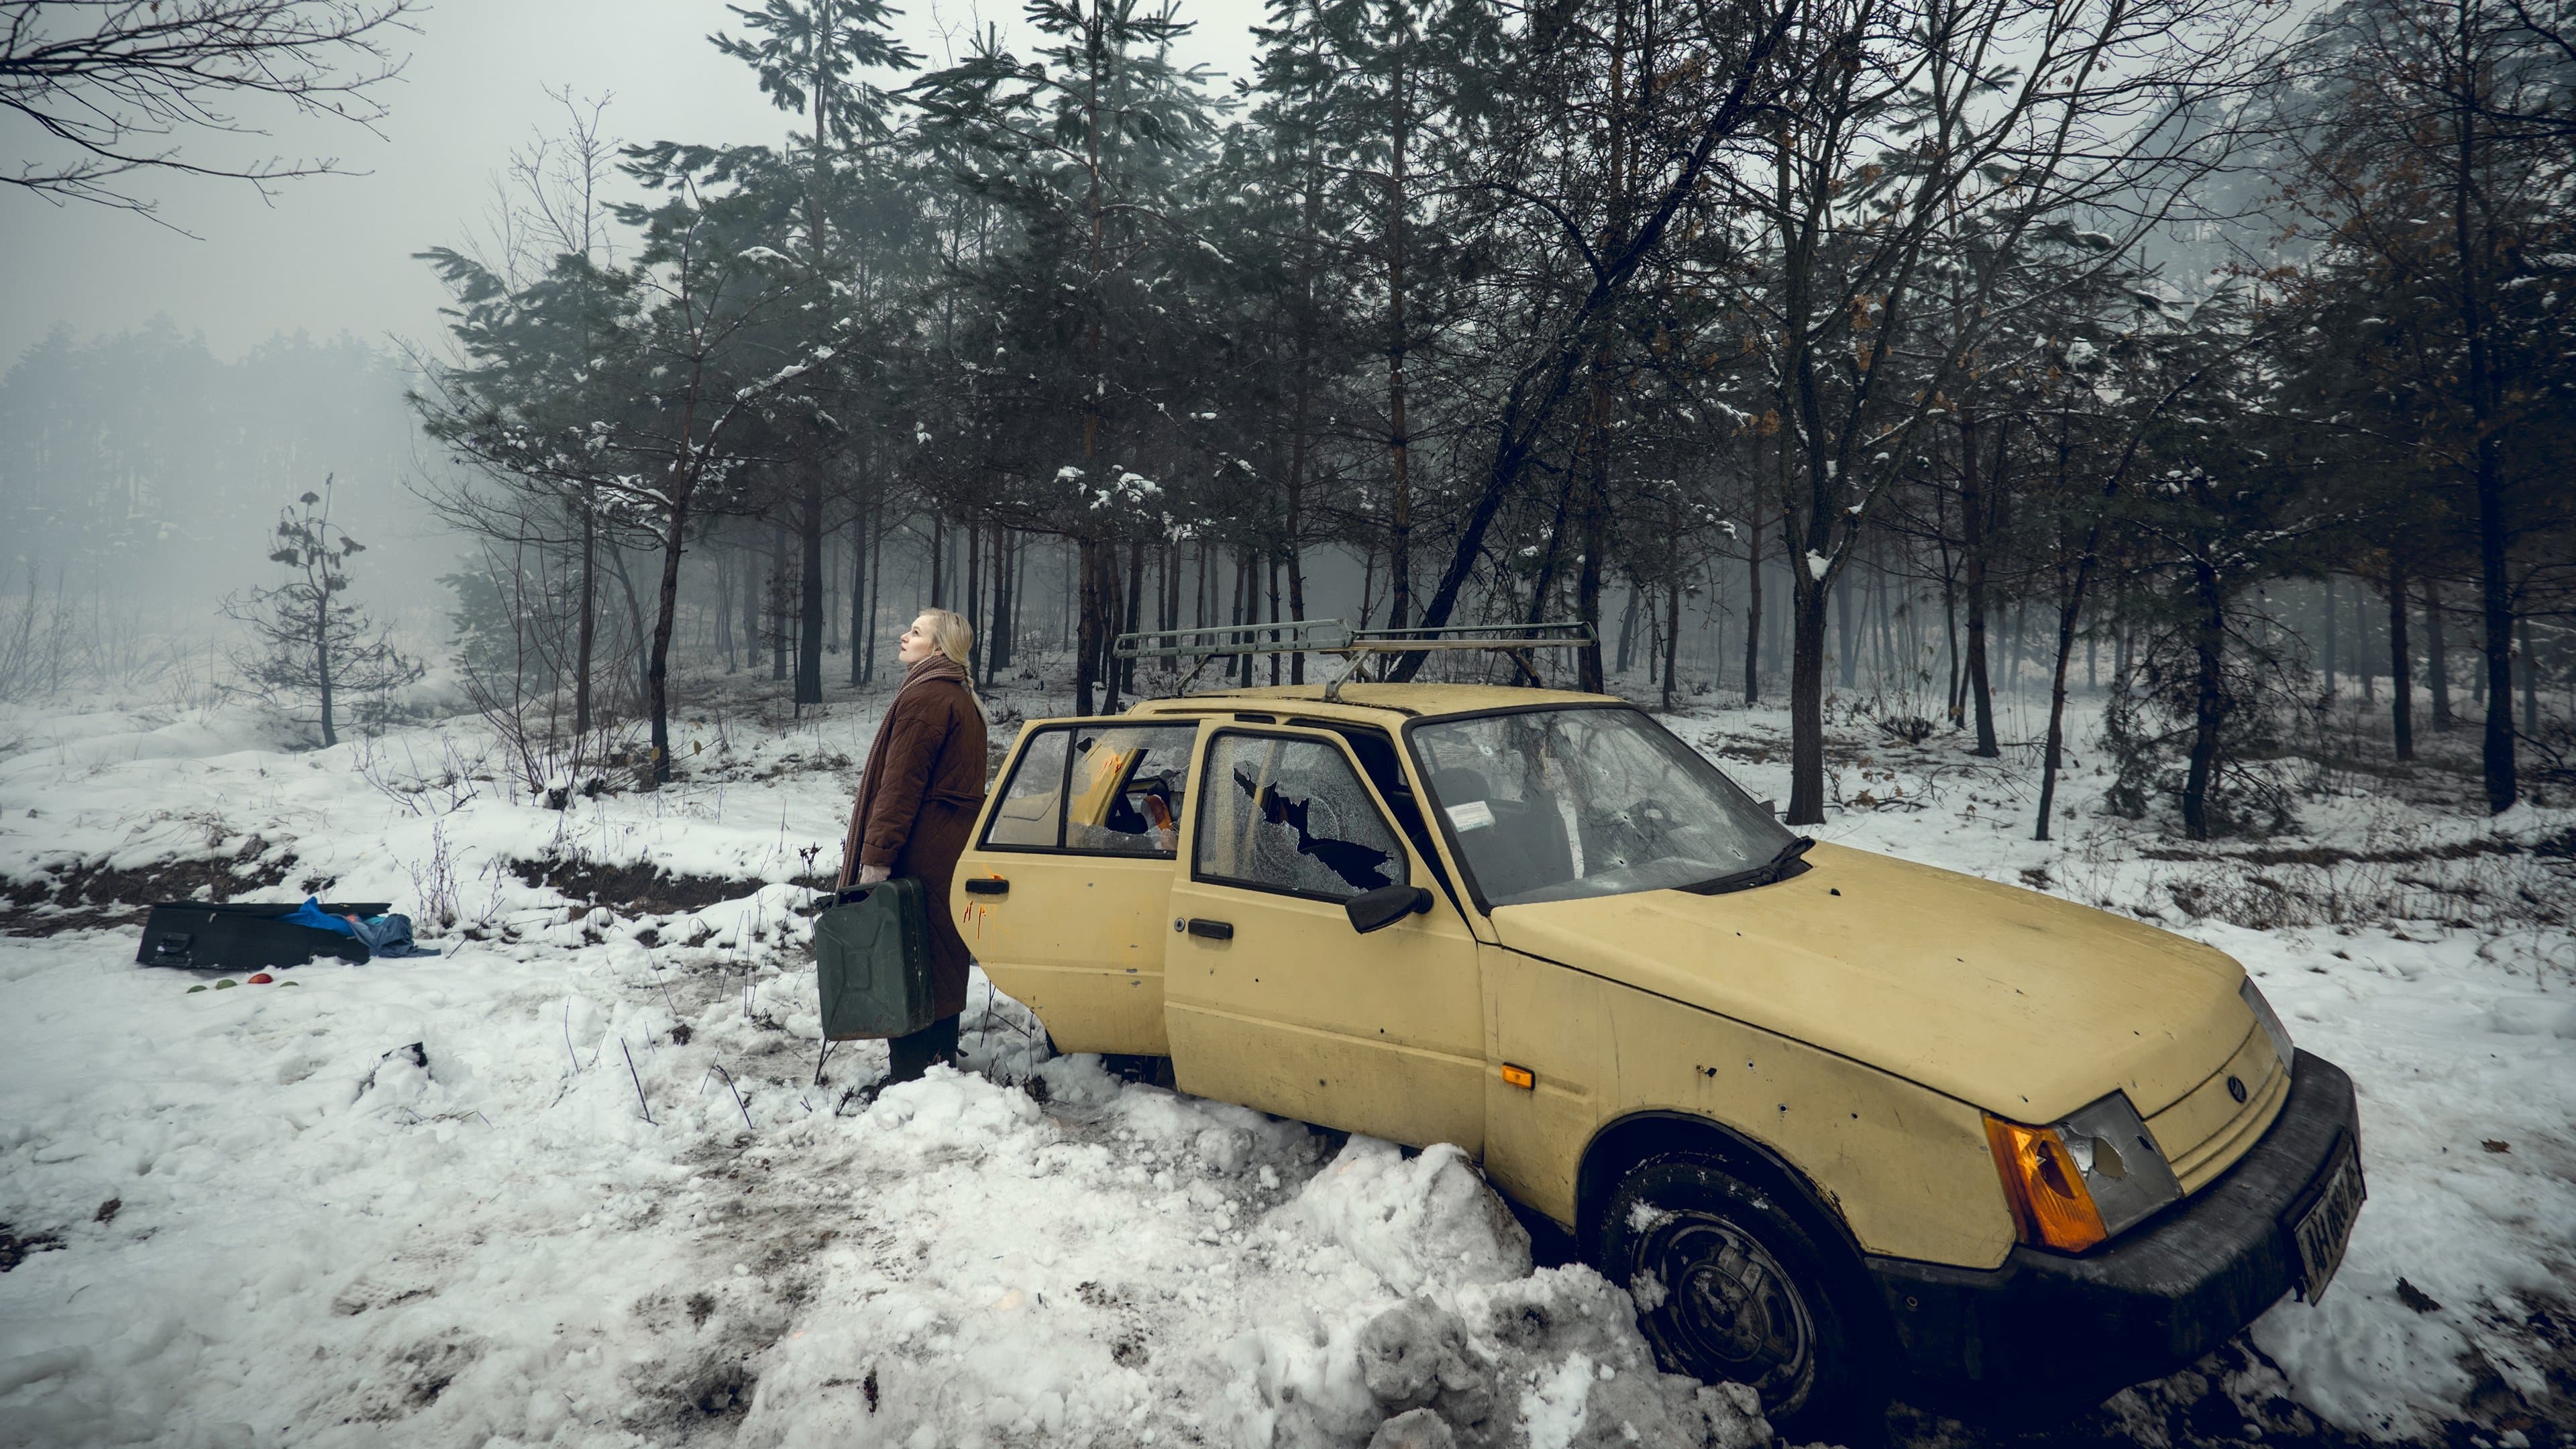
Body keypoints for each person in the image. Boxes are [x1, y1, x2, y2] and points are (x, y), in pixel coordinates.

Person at [837, 607, 989, 1083]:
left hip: (919, 854)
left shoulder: (925, 699)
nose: (905, 636)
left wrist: (877, 857)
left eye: (917, 632)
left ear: (939, 649)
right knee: (940, 960)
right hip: (948, 853)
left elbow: (898, 787)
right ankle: (938, 1065)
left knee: (902, 960)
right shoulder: (959, 697)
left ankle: (910, 1075)